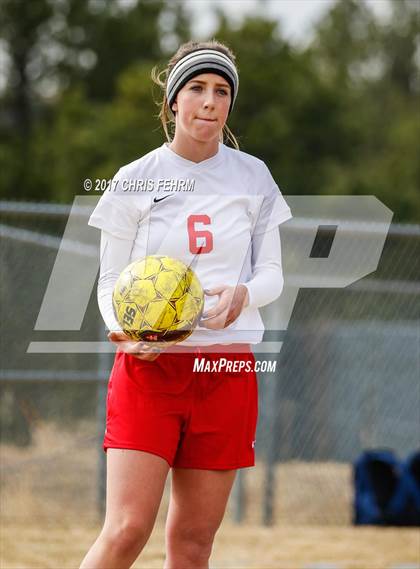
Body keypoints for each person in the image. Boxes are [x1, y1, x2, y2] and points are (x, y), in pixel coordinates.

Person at [80, 39, 292, 569]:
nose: (209, 101)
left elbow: (272, 276)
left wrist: (244, 294)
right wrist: (126, 333)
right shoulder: (135, 179)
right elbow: (110, 283)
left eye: (221, 91)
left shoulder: (254, 177)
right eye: (197, 88)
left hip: (225, 368)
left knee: (194, 543)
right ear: (174, 101)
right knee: (127, 529)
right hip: (151, 370)